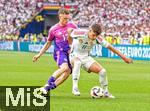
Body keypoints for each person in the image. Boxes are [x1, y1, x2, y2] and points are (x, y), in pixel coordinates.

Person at [68, 24, 133, 98]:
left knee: (103, 71)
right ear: (90, 31)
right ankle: (75, 88)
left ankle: (105, 92)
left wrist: (124, 57)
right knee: (77, 62)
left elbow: (111, 47)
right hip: (74, 55)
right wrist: (70, 46)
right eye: (93, 35)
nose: (94, 37)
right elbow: (69, 31)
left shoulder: (98, 38)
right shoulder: (80, 33)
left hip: (86, 57)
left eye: (96, 35)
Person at [32, 8, 77, 95]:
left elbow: (79, 37)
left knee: (67, 73)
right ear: (60, 17)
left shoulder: (72, 26)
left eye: (68, 18)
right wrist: (39, 54)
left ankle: (46, 88)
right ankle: (48, 83)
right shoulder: (53, 29)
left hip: (70, 53)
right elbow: (48, 43)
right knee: (64, 68)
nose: (67, 21)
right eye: (65, 18)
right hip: (60, 52)